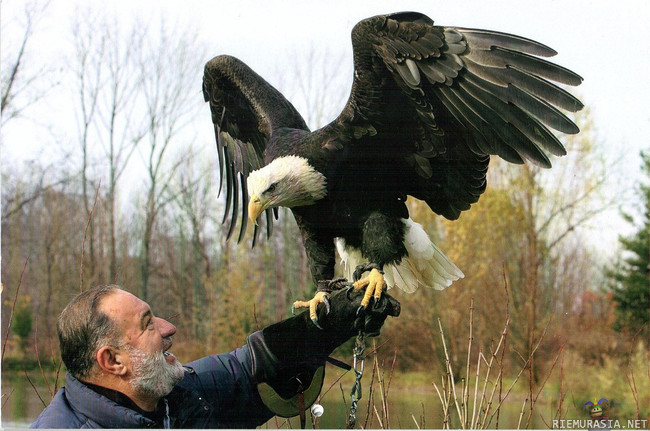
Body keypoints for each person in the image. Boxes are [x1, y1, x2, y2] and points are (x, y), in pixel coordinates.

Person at [31, 281, 399, 428]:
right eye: (147, 324)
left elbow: (248, 367)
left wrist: (327, 325)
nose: (167, 328)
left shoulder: (173, 397)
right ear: (112, 361)